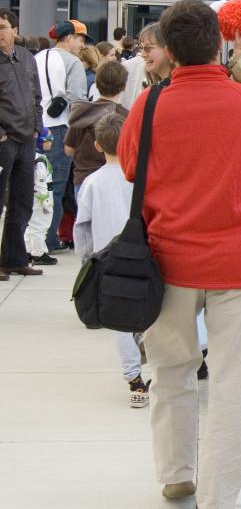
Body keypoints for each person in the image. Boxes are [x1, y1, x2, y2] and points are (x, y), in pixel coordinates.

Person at [118, 0, 241, 507]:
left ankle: (176, 471)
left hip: (167, 261)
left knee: (171, 371)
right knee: (233, 382)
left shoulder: (149, 104)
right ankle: (220, 494)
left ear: (170, 50)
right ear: (222, 43)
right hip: (238, 263)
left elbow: (130, 168)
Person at [72, 112, 149, 408]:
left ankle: (133, 379)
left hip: (107, 260)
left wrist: (86, 258)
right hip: (140, 255)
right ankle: (146, 343)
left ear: (97, 146)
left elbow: (82, 225)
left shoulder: (92, 183)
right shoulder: (139, 178)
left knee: (118, 321)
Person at [35, 19, 90, 252]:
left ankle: (34, 237)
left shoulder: (36, 58)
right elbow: (78, 101)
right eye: (80, 39)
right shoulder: (73, 62)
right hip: (59, 129)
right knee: (55, 186)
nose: (82, 45)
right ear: (68, 38)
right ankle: (49, 239)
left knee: (36, 186)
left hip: (37, 127)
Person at [0, 7, 45, 280]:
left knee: (22, 202)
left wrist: (37, 126)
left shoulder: (27, 57)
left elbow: (37, 96)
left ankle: (13, 259)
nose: (0, 34)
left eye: (3, 27)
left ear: (15, 30)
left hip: (27, 139)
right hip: (4, 140)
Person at [64, 61, 130, 200]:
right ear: (124, 86)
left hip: (83, 178)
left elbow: (68, 150)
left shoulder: (82, 113)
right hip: (116, 179)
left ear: (97, 83)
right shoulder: (126, 117)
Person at [23, 128, 54, 267]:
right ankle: (38, 253)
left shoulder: (30, 156)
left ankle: (28, 249)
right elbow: (41, 181)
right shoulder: (40, 159)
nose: (51, 143)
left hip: (35, 196)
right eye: (49, 140)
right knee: (40, 224)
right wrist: (45, 199)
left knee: (32, 224)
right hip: (42, 198)